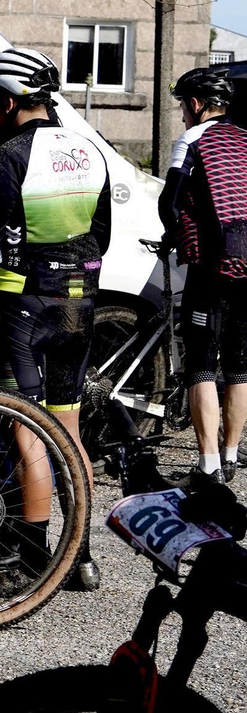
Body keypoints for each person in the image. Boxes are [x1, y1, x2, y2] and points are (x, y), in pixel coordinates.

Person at [0, 48, 110, 595]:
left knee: (25, 430)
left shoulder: (13, 153)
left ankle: (29, 557)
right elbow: (103, 234)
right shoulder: (88, 149)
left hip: (19, 303)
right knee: (67, 431)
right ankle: (81, 555)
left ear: (5, 100)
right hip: (79, 302)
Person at [160, 64, 247, 483]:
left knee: (201, 362)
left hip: (212, 267)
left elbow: (169, 203)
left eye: (182, 106)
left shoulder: (192, 139)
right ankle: (231, 455)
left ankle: (208, 463)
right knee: (239, 364)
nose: (181, 115)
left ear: (195, 105)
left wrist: (175, 234)